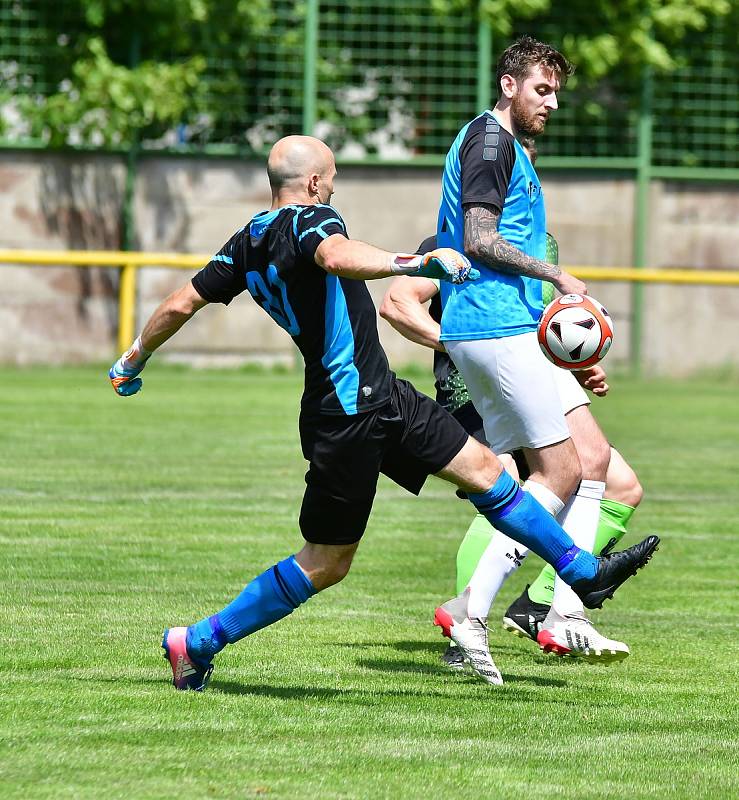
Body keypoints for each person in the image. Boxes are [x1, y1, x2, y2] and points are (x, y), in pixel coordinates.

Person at [108, 135, 657, 690]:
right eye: (335, 179)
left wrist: (133, 358)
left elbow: (181, 302)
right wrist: (415, 261)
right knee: (326, 563)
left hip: (383, 397)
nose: (334, 188)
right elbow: (335, 255)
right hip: (345, 414)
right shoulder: (311, 222)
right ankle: (197, 641)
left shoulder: (245, 242)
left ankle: (580, 571)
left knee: (490, 472)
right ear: (316, 184)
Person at [432, 36, 634, 670]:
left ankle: (560, 614)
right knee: (555, 475)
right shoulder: (489, 141)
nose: (550, 103)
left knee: (593, 460)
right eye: (541, 90)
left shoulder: (511, 146)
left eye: (556, 93)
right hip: (489, 327)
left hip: (514, 325)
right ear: (508, 85)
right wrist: (557, 277)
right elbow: (479, 238)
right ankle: (473, 614)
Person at [380, 227, 643, 668]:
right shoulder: (452, 241)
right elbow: (397, 302)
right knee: (506, 484)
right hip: (474, 393)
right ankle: (466, 623)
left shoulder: (542, 244)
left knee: (620, 485)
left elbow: (537, 323)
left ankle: (539, 606)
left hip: (535, 386)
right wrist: (454, 344)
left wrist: (575, 366)